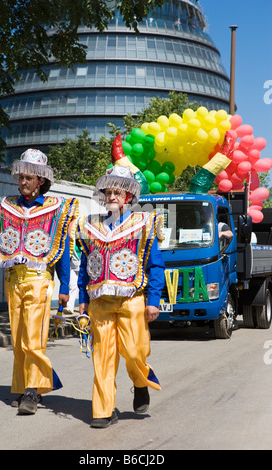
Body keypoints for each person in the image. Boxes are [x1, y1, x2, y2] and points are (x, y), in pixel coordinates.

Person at [0, 148, 79, 415]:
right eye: (21, 177)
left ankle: (33, 391)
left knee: (34, 338)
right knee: (20, 339)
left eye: (29, 178)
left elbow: (62, 250)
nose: (23, 182)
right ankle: (23, 386)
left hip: (39, 280)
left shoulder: (56, 210)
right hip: (13, 281)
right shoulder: (5, 207)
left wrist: (65, 286)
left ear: (41, 180)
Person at [76, 137, 165, 428]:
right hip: (100, 302)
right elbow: (85, 269)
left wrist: (153, 301)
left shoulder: (144, 223)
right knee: (102, 357)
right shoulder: (90, 226)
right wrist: (82, 301)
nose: (111, 196)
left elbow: (155, 264)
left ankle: (140, 382)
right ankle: (103, 410)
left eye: (117, 192)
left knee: (135, 352)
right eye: (108, 192)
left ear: (128, 197)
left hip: (132, 300)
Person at [64, 242, 81, 315]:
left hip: (84, 266)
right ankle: (70, 307)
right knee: (72, 285)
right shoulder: (72, 236)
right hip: (74, 266)